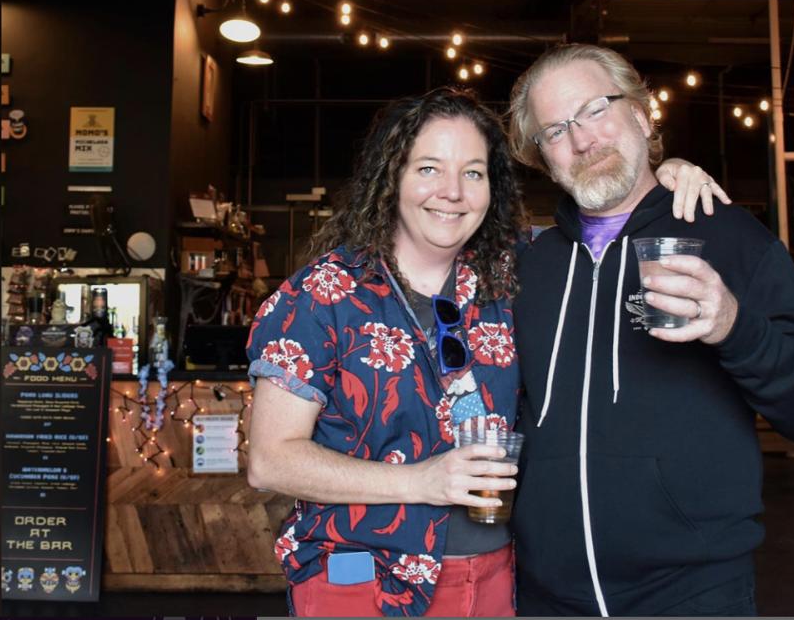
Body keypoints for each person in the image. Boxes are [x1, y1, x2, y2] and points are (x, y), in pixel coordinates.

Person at [245, 87, 716, 617]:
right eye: (428, 168)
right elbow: (270, 460)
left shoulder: (513, 274)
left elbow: (608, 224)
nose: (452, 192)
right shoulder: (323, 294)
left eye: (473, 172)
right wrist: (420, 481)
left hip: (495, 576)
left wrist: (664, 174)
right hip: (362, 575)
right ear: (390, 178)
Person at [506, 43, 794, 617]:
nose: (583, 139)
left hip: (692, 594)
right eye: (556, 129)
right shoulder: (530, 267)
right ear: (544, 157)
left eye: (596, 109)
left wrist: (733, 325)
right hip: (546, 594)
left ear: (641, 115)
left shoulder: (732, 238)